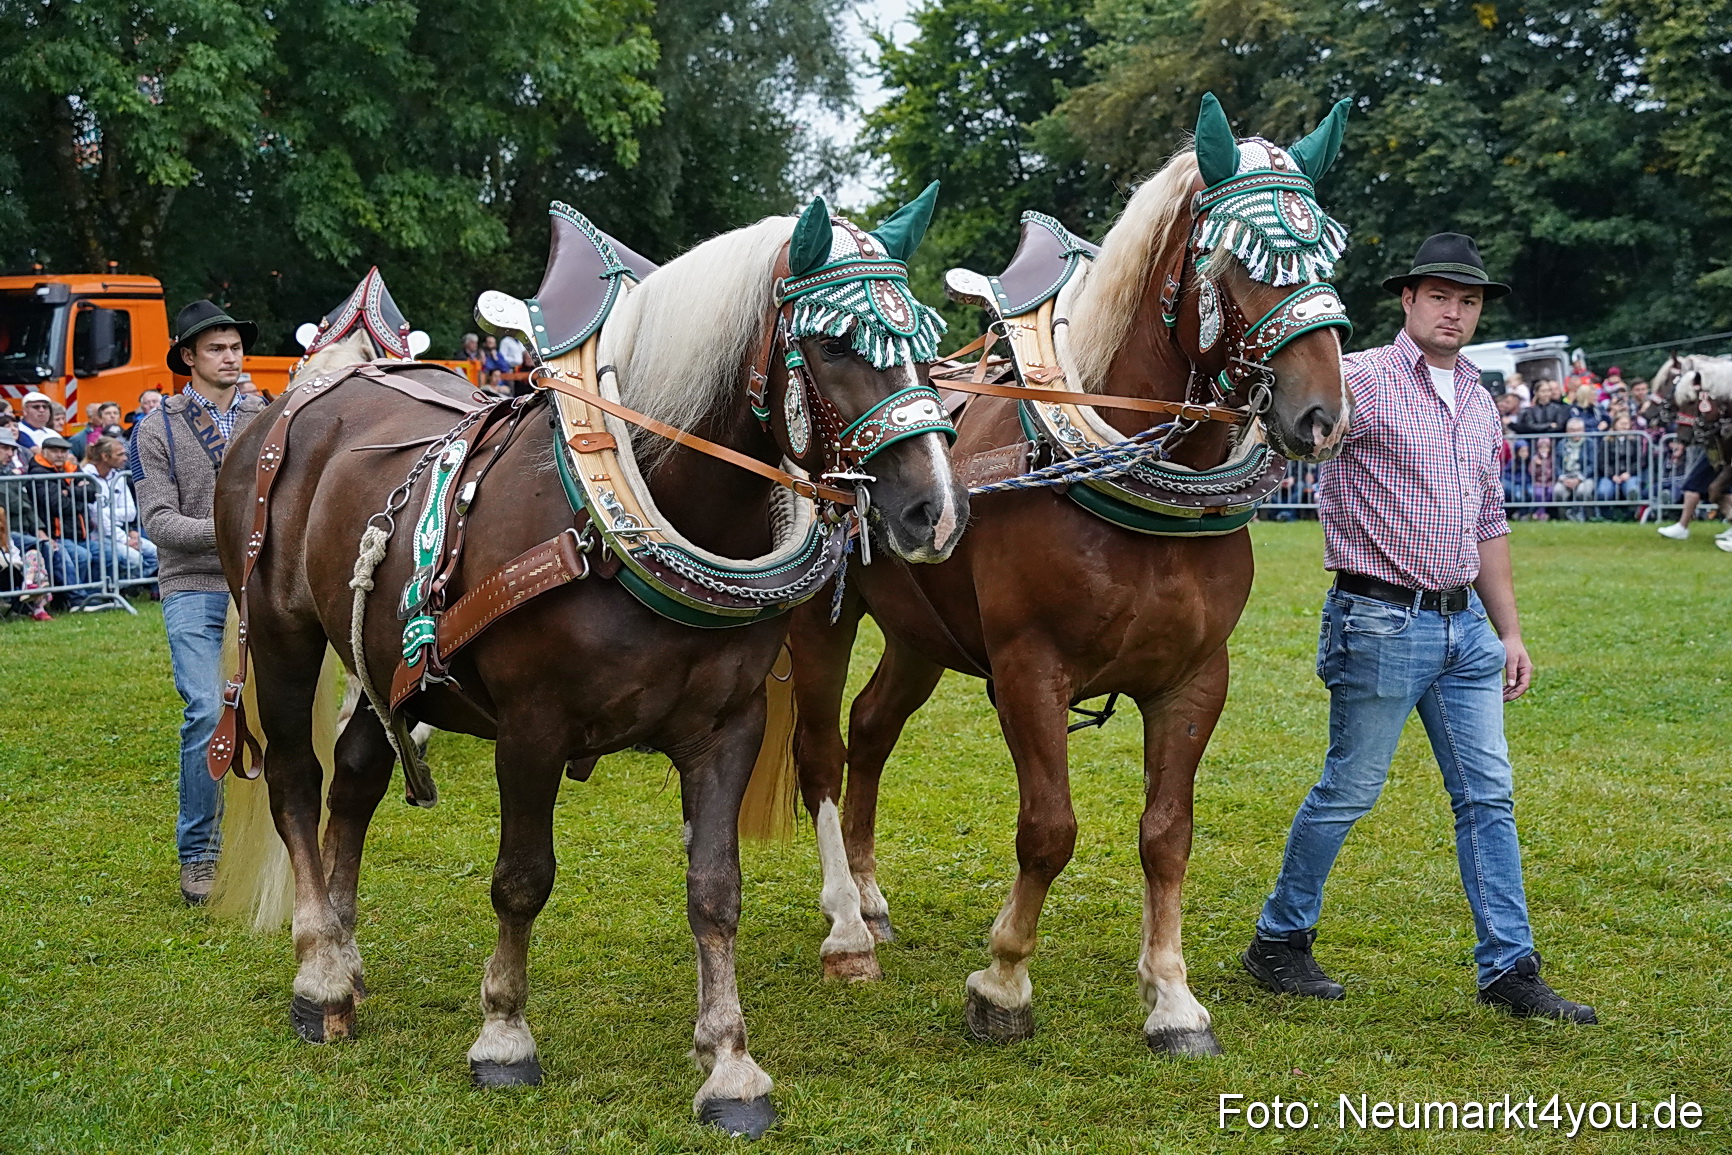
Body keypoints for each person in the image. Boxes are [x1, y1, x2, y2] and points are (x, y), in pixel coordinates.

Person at [1242, 233, 1596, 1023]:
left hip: (1465, 629)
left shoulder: (1477, 396)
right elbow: (1300, 431)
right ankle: (1278, 939)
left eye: (1468, 300)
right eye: (1440, 295)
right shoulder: (1362, 377)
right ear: (1407, 300)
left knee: (1488, 798)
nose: (1455, 311)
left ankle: (1509, 967)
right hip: (1378, 620)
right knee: (1349, 790)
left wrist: (1509, 631)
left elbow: (1488, 522)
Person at [132, 300, 268, 904]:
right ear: (188, 358)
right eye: (217, 348)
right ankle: (200, 853)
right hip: (192, 585)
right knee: (209, 711)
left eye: (236, 345)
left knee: (279, 716)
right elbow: (157, 521)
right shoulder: (155, 427)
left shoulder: (270, 414)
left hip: (264, 586)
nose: (231, 356)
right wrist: (235, 530)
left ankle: (280, 844)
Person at [22, 434, 96, 603]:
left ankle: (95, 594)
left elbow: (92, 492)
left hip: (81, 533)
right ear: (44, 452)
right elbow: (59, 505)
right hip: (58, 534)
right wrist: (79, 496)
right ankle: (74, 599)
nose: (60, 455)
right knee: (83, 557)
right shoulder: (38, 472)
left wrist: (69, 492)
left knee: (107, 554)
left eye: (63, 451)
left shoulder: (71, 467)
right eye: (54, 451)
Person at [83, 435, 157, 580]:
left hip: (121, 531)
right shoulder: (86, 475)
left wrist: (127, 531)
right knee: (134, 559)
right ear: (105, 456)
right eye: (120, 454)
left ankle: (124, 585)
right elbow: (97, 517)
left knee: (155, 553)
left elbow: (131, 513)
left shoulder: (118, 477)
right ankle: (114, 587)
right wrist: (124, 540)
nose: (125, 458)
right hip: (97, 536)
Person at [1596, 414, 1646, 517]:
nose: (1625, 426)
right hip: (1610, 475)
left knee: (1632, 490)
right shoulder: (1606, 441)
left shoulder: (1634, 441)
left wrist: (1628, 473)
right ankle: (1606, 516)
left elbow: (1639, 461)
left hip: (1629, 474)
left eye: (1627, 424)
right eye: (1622, 424)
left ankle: (1631, 515)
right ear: (1615, 425)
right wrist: (1612, 475)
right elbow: (1602, 462)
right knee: (1603, 491)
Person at [1552, 417, 1596, 520]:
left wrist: (1579, 479)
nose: (1576, 433)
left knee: (1583, 491)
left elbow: (1592, 464)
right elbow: (1557, 464)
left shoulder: (1589, 443)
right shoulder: (1561, 444)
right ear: (1567, 431)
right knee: (1558, 491)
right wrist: (1563, 478)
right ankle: (1564, 518)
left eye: (1579, 430)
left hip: (1584, 477)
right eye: (1573, 430)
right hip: (1566, 477)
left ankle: (1589, 517)